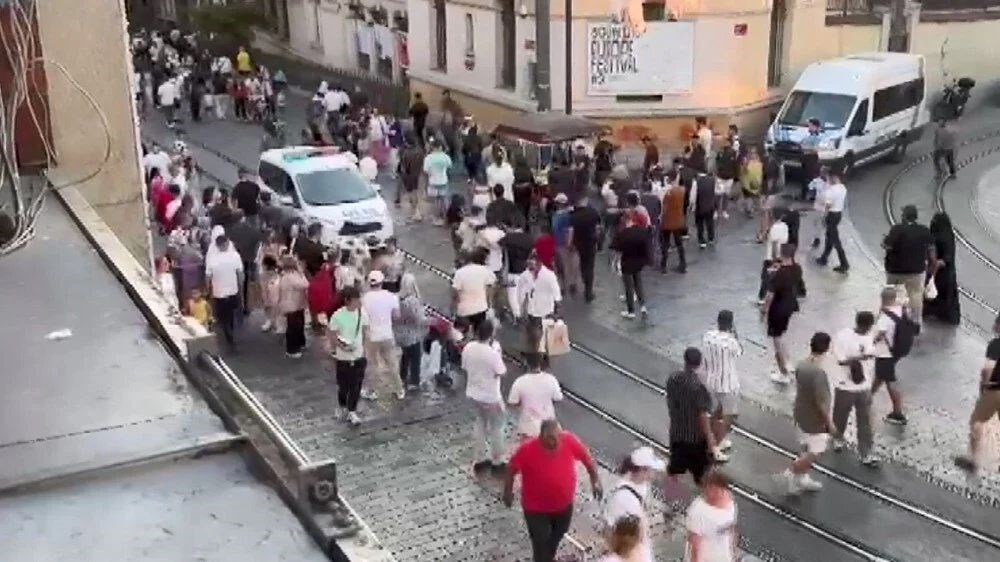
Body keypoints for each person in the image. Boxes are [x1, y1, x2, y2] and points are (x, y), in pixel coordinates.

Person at [502, 419, 602, 562]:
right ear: (541, 436)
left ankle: (548, 556)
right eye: (551, 438)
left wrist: (595, 480)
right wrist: (508, 492)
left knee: (559, 532)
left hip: (564, 505)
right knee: (540, 541)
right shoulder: (527, 450)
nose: (556, 441)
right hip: (535, 508)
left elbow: (587, 459)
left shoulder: (569, 440)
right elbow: (511, 469)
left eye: (558, 437)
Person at [779, 331, 835, 494]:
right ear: (826, 348)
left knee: (805, 447)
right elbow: (821, 402)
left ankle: (801, 478)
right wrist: (829, 423)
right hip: (814, 420)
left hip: (800, 413)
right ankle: (793, 472)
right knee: (816, 451)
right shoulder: (819, 373)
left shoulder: (801, 364)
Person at [832, 311, 879, 466]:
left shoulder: (867, 337)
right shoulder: (844, 336)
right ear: (867, 325)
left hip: (863, 386)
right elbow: (841, 360)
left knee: (864, 421)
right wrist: (860, 357)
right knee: (841, 415)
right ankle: (838, 437)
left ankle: (865, 452)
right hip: (846, 385)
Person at [603, 446, 665, 562]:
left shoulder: (641, 485)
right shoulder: (624, 498)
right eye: (652, 470)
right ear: (642, 470)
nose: (654, 474)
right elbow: (615, 531)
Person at [955, 313, 1000, 473]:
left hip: (995, 390)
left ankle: (973, 460)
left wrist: (984, 387)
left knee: (977, 421)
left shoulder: (996, 344)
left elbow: (988, 369)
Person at [462, 319, 507, 474]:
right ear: (491, 334)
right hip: (491, 396)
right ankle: (498, 460)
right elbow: (501, 371)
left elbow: (464, 367)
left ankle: (480, 458)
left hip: (473, 393)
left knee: (480, 423)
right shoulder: (492, 353)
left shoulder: (468, 348)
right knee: (497, 427)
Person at [666, 348, 716, 486]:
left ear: (685, 360)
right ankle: (702, 497)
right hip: (695, 439)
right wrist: (710, 438)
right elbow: (702, 416)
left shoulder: (673, 378)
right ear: (700, 363)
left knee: (675, 467)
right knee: (701, 473)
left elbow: (671, 404)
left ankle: (671, 494)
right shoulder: (699, 387)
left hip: (677, 433)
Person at [883, 205, 936, 330]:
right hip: (916, 270)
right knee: (916, 295)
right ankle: (916, 322)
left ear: (905, 216)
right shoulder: (924, 230)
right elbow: (931, 250)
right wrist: (932, 264)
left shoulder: (896, 229)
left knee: (892, 294)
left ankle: (891, 319)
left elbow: (887, 246)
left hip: (895, 270)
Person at [702, 310, 743, 462]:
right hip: (728, 384)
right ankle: (716, 446)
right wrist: (735, 333)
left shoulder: (707, 336)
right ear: (731, 323)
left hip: (711, 382)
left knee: (715, 412)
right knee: (729, 416)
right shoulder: (730, 341)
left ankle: (711, 439)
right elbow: (739, 351)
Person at [762, 244, 803, 384]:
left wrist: (764, 310)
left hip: (777, 308)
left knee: (776, 340)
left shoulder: (779, 274)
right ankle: (788, 362)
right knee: (781, 335)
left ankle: (783, 372)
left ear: (781, 254)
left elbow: (770, 295)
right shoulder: (797, 269)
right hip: (790, 305)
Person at [329, 286, 370, 426]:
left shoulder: (362, 314)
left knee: (356, 385)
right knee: (343, 385)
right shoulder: (337, 316)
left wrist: (363, 348)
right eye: (356, 299)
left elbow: (365, 331)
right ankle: (342, 405)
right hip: (343, 358)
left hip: (358, 356)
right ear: (347, 300)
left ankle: (352, 410)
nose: (359, 302)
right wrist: (341, 347)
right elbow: (332, 335)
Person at [362, 270, 405, 400]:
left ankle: (372, 391)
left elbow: (363, 318)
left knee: (373, 364)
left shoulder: (364, 299)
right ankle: (399, 390)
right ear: (382, 282)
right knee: (392, 362)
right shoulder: (391, 297)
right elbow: (396, 316)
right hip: (387, 334)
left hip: (372, 335)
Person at [872, 286, 909, 425]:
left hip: (885, 353)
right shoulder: (899, 310)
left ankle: (898, 412)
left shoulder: (884, 318)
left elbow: (880, 334)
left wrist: (870, 343)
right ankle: (867, 397)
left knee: (889, 381)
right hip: (895, 350)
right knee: (881, 376)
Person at [685, 470, 738, 562]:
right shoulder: (698, 511)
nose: (712, 493)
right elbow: (695, 545)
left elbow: (731, 530)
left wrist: (733, 552)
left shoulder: (730, 503)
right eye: (709, 490)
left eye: (717, 490)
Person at [516, 254, 562, 354]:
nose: (530, 267)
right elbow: (521, 292)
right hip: (531, 309)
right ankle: (532, 351)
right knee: (530, 331)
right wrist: (521, 308)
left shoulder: (549, 276)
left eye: (533, 264)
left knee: (540, 334)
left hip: (545, 310)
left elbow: (557, 294)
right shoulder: (525, 275)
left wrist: (556, 312)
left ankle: (539, 353)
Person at [204, 233, 243, 351]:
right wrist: (240, 286)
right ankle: (231, 335)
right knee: (231, 314)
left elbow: (208, 277)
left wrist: (208, 289)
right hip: (233, 290)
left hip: (218, 292)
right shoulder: (235, 256)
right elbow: (240, 274)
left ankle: (228, 334)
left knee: (223, 316)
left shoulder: (212, 259)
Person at [612, 211, 650, 320]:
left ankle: (631, 311)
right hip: (638, 261)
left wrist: (614, 262)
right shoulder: (641, 231)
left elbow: (617, 249)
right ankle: (643, 307)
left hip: (627, 262)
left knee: (628, 287)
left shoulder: (623, 234)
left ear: (624, 220)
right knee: (638, 284)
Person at [924, 212, 961, 325]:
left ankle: (931, 312)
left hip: (937, 273)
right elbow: (948, 256)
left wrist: (933, 266)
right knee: (947, 297)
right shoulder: (949, 236)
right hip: (949, 274)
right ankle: (947, 316)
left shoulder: (934, 236)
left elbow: (937, 258)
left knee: (932, 293)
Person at [452, 247, 497, 334]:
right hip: (481, 308)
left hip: (464, 310)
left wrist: (453, 309)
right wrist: (490, 305)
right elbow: (490, 289)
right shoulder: (486, 271)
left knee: (460, 335)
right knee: (478, 333)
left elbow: (455, 295)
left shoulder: (459, 273)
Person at [394, 273, 426, 391]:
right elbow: (419, 318)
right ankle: (414, 381)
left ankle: (402, 377)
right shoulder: (412, 301)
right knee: (415, 357)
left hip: (399, 333)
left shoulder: (396, 298)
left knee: (405, 356)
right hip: (412, 334)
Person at [227, 210, 263, 315]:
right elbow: (258, 239)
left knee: (234, 282)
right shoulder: (252, 230)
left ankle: (236, 306)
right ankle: (246, 307)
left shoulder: (231, 230)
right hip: (248, 260)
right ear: (243, 218)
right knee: (246, 283)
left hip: (234, 260)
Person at [568, 194, 602, 302]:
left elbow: (571, 230)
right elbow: (598, 228)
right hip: (591, 242)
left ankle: (584, 279)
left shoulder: (573, 215)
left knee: (583, 264)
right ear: (585, 200)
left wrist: (570, 243)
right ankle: (588, 292)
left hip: (579, 243)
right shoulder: (593, 212)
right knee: (590, 266)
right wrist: (599, 241)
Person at [816, 170, 849, 273]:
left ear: (834, 177)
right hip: (838, 214)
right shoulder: (843, 188)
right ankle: (824, 258)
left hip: (831, 215)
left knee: (835, 240)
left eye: (829, 178)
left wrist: (824, 216)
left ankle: (844, 263)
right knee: (830, 237)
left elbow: (828, 205)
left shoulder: (832, 190)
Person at [277, 256, 309, 358]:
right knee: (293, 328)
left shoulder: (289, 275)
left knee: (299, 325)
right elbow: (305, 284)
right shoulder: (289, 277)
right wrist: (302, 273)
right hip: (292, 306)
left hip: (296, 305)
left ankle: (300, 343)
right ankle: (292, 350)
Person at [660, 173, 687, 274]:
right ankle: (683, 264)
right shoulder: (682, 191)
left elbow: (664, 207)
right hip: (678, 220)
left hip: (667, 221)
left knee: (666, 244)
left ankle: (663, 266)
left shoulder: (668, 193)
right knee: (679, 244)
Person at [423, 140, 453, 226]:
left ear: (432, 147)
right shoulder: (446, 157)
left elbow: (425, 171)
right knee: (444, 200)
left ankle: (437, 219)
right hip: (443, 181)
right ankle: (445, 217)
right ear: (440, 147)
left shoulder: (428, 158)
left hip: (433, 181)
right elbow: (450, 166)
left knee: (435, 201)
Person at [692, 170, 717, 248]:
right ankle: (711, 239)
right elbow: (715, 193)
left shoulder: (696, 182)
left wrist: (692, 206)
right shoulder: (712, 180)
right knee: (710, 222)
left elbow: (693, 196)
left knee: (700, 224)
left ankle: (702, 241)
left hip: (700, 206)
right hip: (710, 206)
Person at [808, 167, 830, 249]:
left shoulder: (830, 183)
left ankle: (818, 238)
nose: (822, 174)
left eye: (823, 173)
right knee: (816, 223)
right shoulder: (817, 181)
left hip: (825, 207)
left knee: (820, 223)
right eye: (821, 172)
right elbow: (810, 187)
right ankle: (817, 238)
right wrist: (812, 195)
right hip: (817, 206)